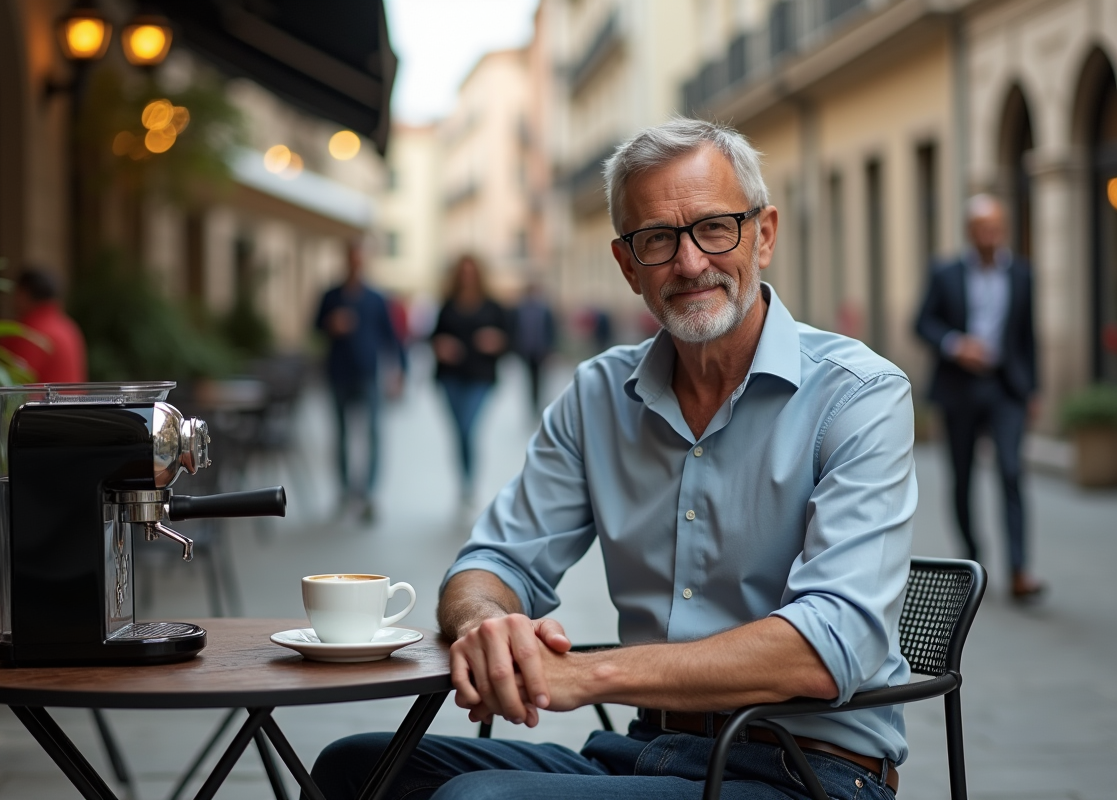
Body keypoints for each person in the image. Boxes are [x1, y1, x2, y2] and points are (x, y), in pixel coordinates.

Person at [314, 119, 915, 800]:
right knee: (355, 768)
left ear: (764, 234)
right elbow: (491, 562)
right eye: (658, 240)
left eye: (715, 227)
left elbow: (827, 646)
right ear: (629, 266)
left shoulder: (858, 395)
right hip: (651, 754)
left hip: (807, 772)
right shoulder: (599, 393)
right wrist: (489, 626)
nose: (690, 264)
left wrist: (586, 677)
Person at [915, 194, 1044, 601]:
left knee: (1010, 471)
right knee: (963, 477)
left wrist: (1034, 389)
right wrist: (956, 344)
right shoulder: (946, 273)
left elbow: (1028, 335)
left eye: (996, 228)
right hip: (959, 388)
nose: (991, 236)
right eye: (983, 229)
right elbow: (922, 323)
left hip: (1006, 388)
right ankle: (971, 561)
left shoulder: (1022, 274)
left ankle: (1020, 570)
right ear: (970, 233)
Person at [315, 239, 406, 523]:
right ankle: (344, 491)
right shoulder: (331, 296)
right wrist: (332, 324)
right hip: (338, 373)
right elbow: (315, 326)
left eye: (359, 258)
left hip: (368, 374)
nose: (356, 262)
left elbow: (391, 336)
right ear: (346, 260)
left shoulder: (376, 298)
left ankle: (367, 495)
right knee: (341, 435)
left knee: (373, 435)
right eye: (352, 257)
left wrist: (400, 369)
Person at [431, 255, 510, 509]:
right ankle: (464, 483)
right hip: (450, 377)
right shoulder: (448, 305)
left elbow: (510, 339)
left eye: (471, 272)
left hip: (480, 376)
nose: (467, 277)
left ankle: (469, 483)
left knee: (468, 428)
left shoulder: (492, 306)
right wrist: (440, 345)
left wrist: (496, 341)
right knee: (458, 433)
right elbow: (433, 336)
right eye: (462, 272)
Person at [0, 267, 87, 383]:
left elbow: (12, 385)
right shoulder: (69, 327)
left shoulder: (29, 333)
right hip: (72, 401)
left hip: (41, 400)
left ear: (23, 294)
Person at [511, 282, 557, 415]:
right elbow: (515, 329)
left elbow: (551, 331)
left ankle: (538, 402)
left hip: (540, 350)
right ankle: (532, 404)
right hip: (526, 350)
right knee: (529, 379)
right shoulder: (520, 310)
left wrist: (550, 349)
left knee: (540, 379)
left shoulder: (544, 310)